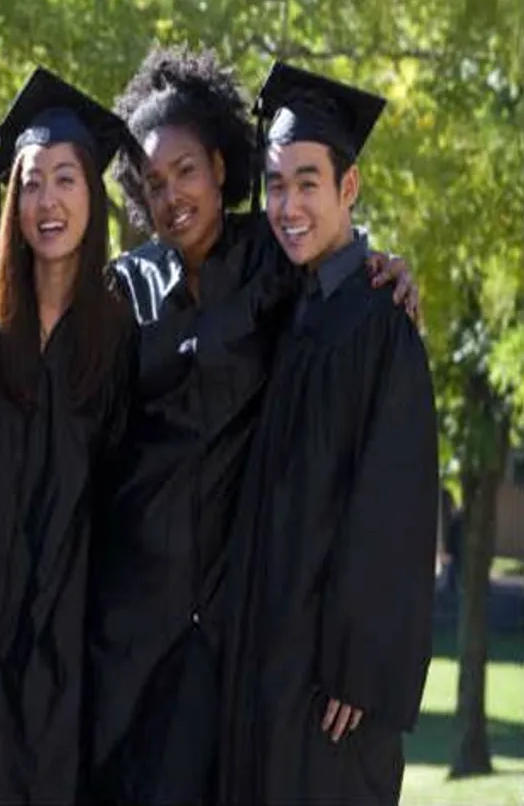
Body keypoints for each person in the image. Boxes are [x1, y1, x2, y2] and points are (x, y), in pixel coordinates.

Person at [89, 47, 420, 805]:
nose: (172, 194)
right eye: (153, 180)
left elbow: (335, 260)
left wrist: (390, 267)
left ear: (219, 164)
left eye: (187, 170)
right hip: (136, 630)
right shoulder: (125, 287)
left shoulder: (273, 263)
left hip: (238, 637)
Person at [217, 63, 438, 806]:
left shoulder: (380, 326)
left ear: (349, 189)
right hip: (269, 666)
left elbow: (395, 509)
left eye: (308, 183)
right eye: (275, 184)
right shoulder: (290, 306)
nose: (288, 204)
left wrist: (360, 666)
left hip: (333, 691)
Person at [0, 68, 136, 804]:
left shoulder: (119, 335)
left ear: (94, 192)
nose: (47, 200)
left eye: (66, 179)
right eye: (30, 182)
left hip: (65, 639)